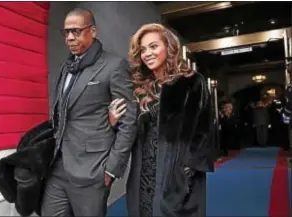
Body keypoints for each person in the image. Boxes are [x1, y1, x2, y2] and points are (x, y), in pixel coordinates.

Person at [108, 23, 214, 217]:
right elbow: (131, 132)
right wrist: (114, 122)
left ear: (169, 47)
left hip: (176, 174)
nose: (147, 53)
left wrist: (186, 171)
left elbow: (204, 130)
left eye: (153, 46)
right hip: (143, 173)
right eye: (143, 50)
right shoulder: (140, 89)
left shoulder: (191, 83)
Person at [41, 8, 137, 216]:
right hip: (58, 167)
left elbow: (129, 121)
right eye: (66, 32)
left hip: (92, 169)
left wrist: (112, 168)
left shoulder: (114, 66)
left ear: (92, 31)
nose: (69, 38)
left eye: (76, 31)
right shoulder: (66, 67)